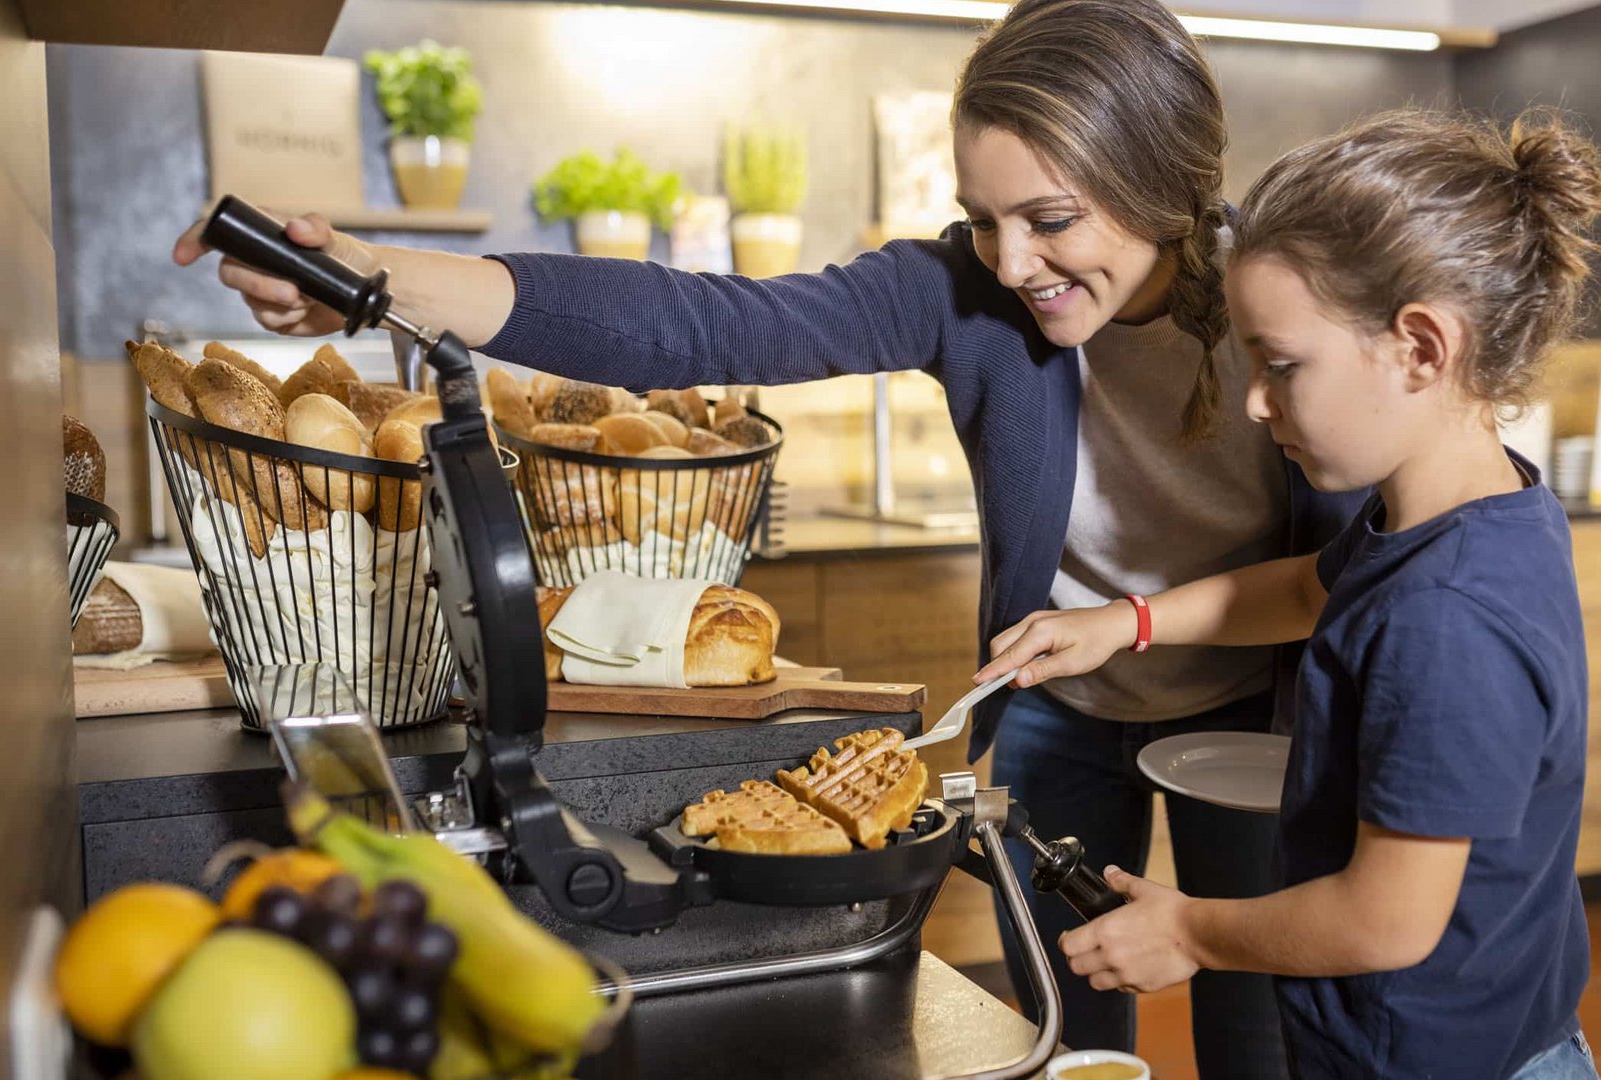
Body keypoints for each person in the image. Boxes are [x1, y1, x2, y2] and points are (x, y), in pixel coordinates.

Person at [175, 1, 1361, 1072]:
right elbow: (693, 324)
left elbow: (1362, 554)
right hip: (1057, 696)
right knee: (1062, 1015)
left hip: (1247, 703)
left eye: (1051, 220)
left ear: (1161, 180)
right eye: (983, 220)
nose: (1011, 264)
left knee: (1255, 1016)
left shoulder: (1287, 290)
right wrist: (378, 275)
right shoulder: (971, 289)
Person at [976, 107, 1601, 1080]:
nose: (1256, 401)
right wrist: (1126, 622)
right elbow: (1309, 592)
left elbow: (1386, 919)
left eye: (1280, 365)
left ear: (1421, 349)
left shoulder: (1449, 617)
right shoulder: (1455, 512)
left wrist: (1190, 932)